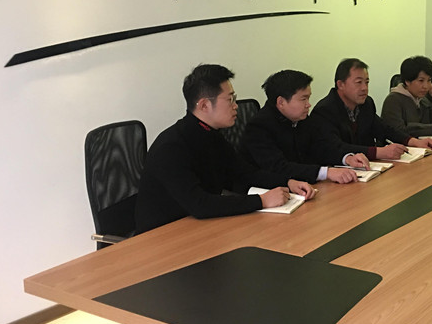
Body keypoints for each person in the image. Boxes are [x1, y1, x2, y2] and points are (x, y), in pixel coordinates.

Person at [135, 64, 315, 234]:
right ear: (204, 105)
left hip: (202, 226)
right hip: (164, 235)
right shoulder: (171, 147)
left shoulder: (212, 135)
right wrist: (261, 201)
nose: (235, 106)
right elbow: (199, 204)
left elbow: (245, 173)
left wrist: (288, 182)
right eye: (230, 100)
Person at [239, 69, 365, 185]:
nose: (308, 105)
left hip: (304, 187)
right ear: (281, 102)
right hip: (269, 192)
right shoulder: (258, 127)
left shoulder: (301, 119)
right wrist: (326, 172)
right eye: (303, 99)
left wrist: (347, 158)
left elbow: (322, 147)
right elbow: (279, 167)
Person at [311, 58, 432, 159]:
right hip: (338, 173)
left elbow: (384, 129)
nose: (364, 88)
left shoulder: (366, 103)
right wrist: (379, 152)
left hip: (367, 168)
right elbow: (335, 148)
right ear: (340, 84)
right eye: (358, 82)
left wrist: (413, 141)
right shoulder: (324, 111)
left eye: (367, 82)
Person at [381, 55, 432, 138]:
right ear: (407, 81)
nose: (426, 86)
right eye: (421, 80)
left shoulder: (424, 99)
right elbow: (397, 131)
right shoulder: (393, 100)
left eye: (429, 80)